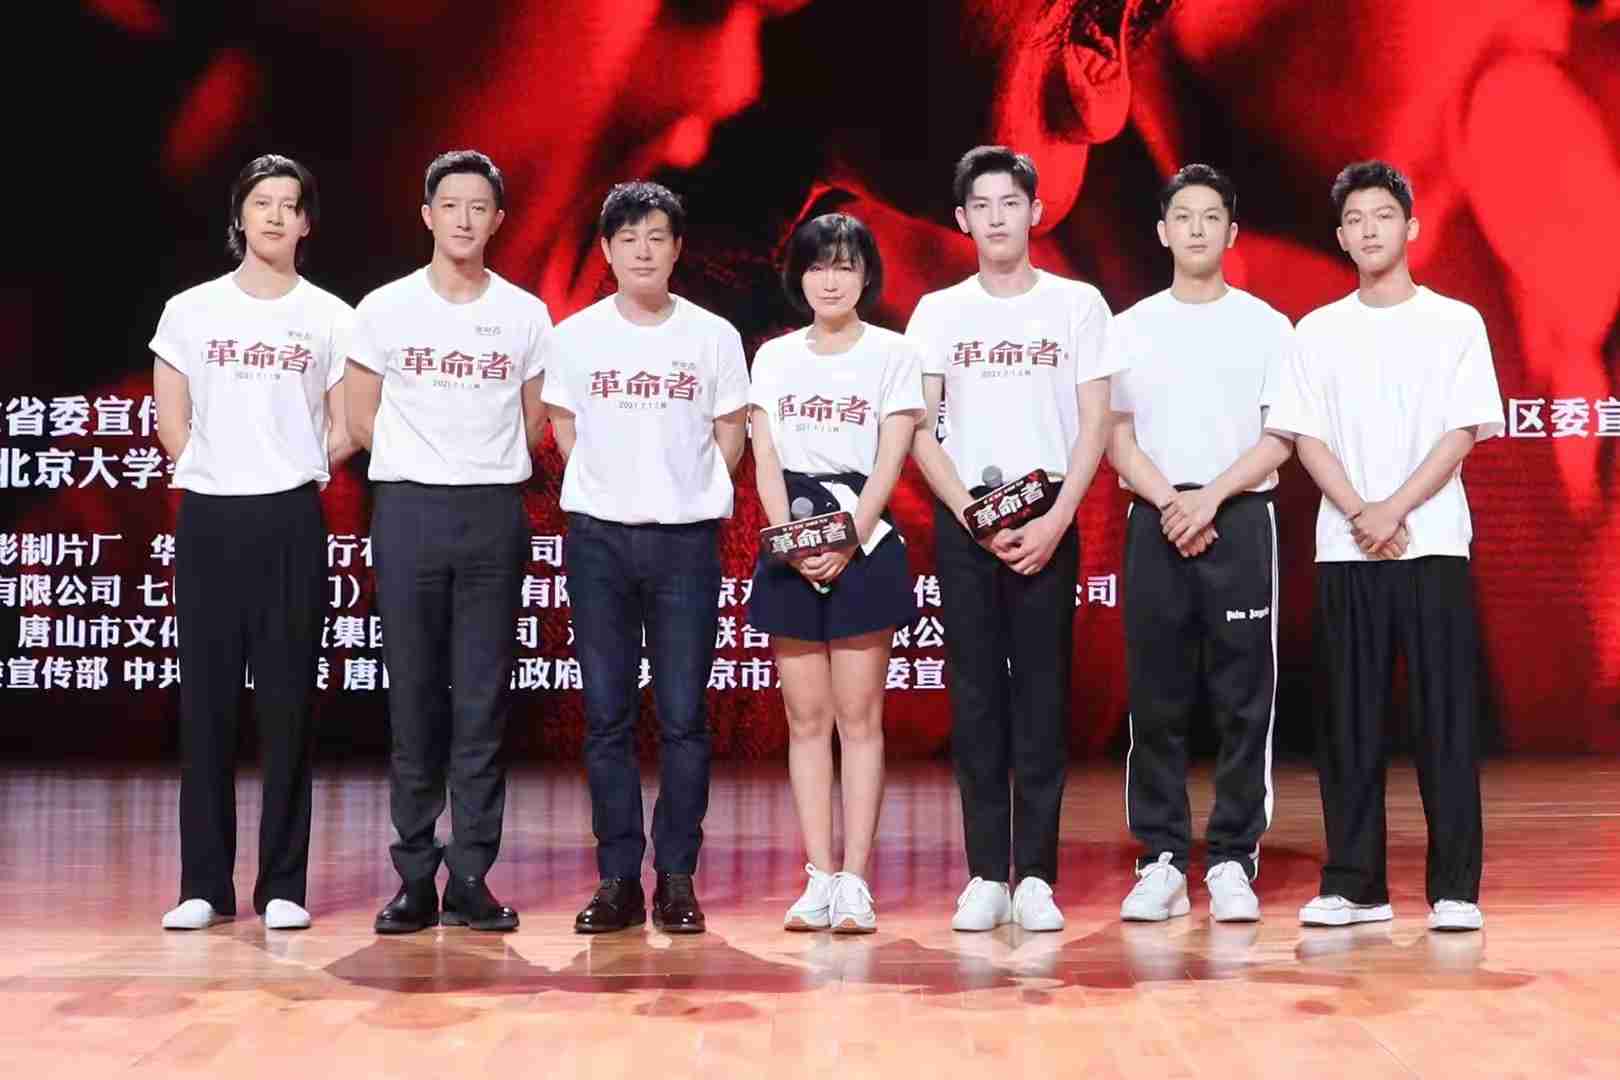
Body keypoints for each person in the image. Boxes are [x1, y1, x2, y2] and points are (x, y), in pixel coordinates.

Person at [1265, 161, 1504, 932]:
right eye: (1355, 220)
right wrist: (1359, 511)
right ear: (1341, 237)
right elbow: (1304, 436)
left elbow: (1462, 431)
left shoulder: (1456, 322)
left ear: (1412, 227)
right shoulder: (1316, 330)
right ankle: (1355, 885)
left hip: (1432, 545)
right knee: (1348, 723)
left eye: (1383, 216)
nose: (1369, 230)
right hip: (1346, 549)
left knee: (1444, 721)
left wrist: (1392, 509)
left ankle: (1456, 891)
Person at [906, 146, 1121, 932]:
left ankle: (1035, 875)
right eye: (982, 205)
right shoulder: (938, 312)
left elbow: (1096, 421)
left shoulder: (1077, 306)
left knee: (1041, 695)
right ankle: (984, 875)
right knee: (974, 697)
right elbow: (917, 427)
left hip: (1047, 520)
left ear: (1036, 211)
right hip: (967, 518)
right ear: (962, 220)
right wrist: (969, 512)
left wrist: (1058, 518)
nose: (997, 218)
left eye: (1010, 203)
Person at [346, 150, 551, 934]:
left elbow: (534, 419)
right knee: (413, 697)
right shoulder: (384, 308)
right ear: (427, 215)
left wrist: (477, 467)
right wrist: (424, 463)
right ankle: (412, 877)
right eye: (451, 205)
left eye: (479, 207)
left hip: (493, 513)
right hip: (408, 511)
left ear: (498, 220)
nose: (465, 219)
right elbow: (361, 416)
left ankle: (470, 876)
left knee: (481, 701)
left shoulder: (525, 314)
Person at [152, 153, 356, 931]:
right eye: (261, 201)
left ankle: (282, 886)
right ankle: (203, 885)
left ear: (306, 223)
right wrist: (218, 469)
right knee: (206, 706)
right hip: (210, 517)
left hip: (291, 519)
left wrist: (293, 466)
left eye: (288, 203)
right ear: (239, 216)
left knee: (288, 706)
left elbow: (347, 424)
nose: (274, 215)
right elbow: (173, 420)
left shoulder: (331, 316)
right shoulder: (190, 311)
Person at [545, 182, 749, 935]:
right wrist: (611, 488)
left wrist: (681, 490)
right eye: (627, 238)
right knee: (606, 716)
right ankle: (617, 879)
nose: (642, 250)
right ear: (606, 250)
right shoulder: (576, 336)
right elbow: (564, 425)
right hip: (599, 539)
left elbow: (731, 435)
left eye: (656, 237)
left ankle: (677, 878)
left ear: (677, 248)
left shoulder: (713, 336)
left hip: (685, 541)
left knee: (685, 717)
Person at [1104, 164, 1294, 923]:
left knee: (1246, 700)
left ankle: (1233, 859)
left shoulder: (1267, 326)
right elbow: (1115, 437)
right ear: (1162, 231)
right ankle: (1159, 859)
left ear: (1231, 232)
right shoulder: (1129, 327)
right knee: (1156, 698)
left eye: (1211, 216)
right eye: (1182, 216)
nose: (1195, 229)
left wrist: (1210, 498)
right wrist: (1171, 502)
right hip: (1155, 516)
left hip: (1239, 517)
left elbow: (1281, 435)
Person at [747, 213, 924, 933]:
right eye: (818, 265)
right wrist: (791, 543)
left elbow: (891, 457)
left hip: (865, 538)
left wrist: (848, 538)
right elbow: (764, 458)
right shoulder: (774, 358)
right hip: (791, 537)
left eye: (845, 265)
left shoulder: (893, 354)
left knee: (859, 719)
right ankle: (818, 876)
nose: (830, 279)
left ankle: (855, 881)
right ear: (798, 276)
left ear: (865, 275)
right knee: (806, 719)